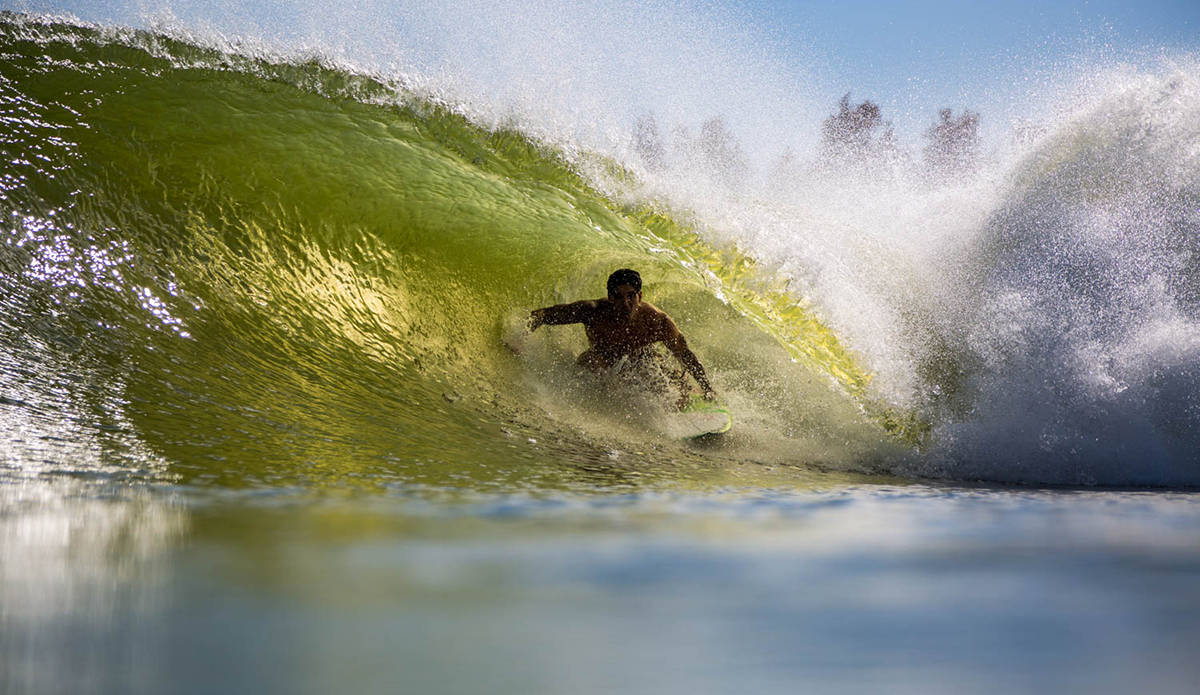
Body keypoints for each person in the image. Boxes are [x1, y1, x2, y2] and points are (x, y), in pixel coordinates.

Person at [529, 269, 717, 402]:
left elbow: (684, 355)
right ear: (610, 298)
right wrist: (520, 335)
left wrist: (709, 388)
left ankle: (695, 393)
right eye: (618, 296)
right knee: (589, 361)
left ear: (640, 296)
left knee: (676, 389)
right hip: (602, 363)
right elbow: (544, 315)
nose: (625, 302)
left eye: (631, 296)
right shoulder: (592, 312)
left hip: (642, 362)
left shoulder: (658, 322)